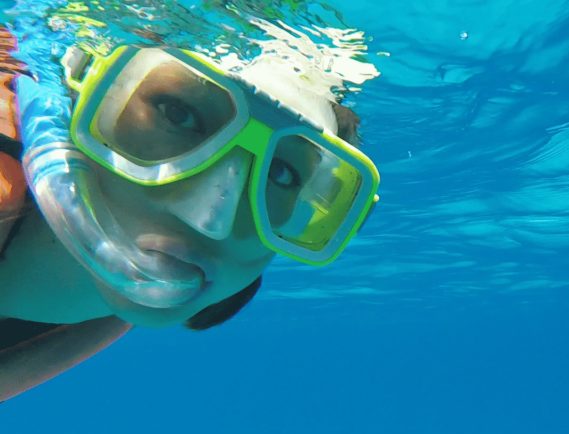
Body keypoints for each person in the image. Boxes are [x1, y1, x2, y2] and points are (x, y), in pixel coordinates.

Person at [0, 25, 380, 400]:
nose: (211, 222)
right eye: (178, 115)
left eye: (280, 174)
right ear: (81, 96)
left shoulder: (131, 294)